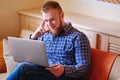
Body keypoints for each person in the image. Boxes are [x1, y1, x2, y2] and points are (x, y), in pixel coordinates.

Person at [6, 1, 91, 80]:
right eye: (46, 21)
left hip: (64, 76)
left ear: (62, 15)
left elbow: (84, 67)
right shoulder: (44, 35)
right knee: (23, 66)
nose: (49, 24)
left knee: (23, 68)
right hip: (44, 73)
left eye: (52, 19)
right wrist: (34, 37)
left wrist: (64, 70)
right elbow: (25, 54)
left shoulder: (78, 37)